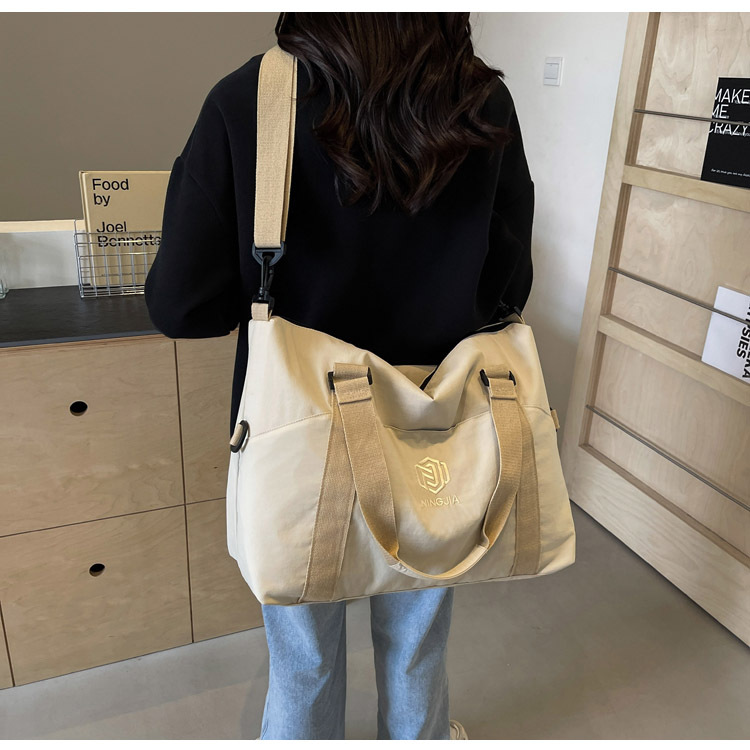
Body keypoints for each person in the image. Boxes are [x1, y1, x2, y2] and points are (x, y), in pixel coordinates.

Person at [144, 11, 534, 741]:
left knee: (305, 659)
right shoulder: (479, 100)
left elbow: (182, 306)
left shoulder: (249, 100)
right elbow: (510, 283)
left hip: (295, 436)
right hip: (440, 426)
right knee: (418, 639)